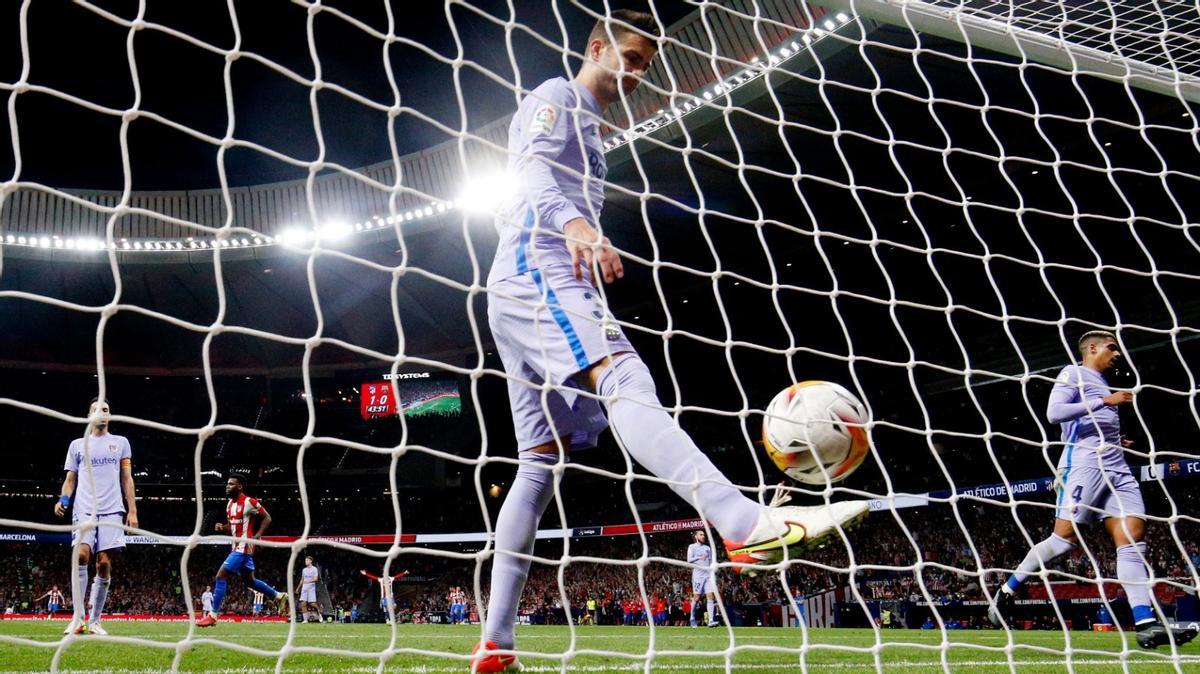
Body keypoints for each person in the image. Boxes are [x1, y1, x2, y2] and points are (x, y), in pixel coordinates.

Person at [472, 9, 869, 672]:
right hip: (534, 271)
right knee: (626, 381)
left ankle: (496, 642)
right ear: (596, 46)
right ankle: (743, 525)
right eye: (628, 57)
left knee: (538, 465)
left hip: (525, 283)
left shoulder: (594, 129)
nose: (635, 73)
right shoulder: (556, 96)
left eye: (644, 65)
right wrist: (578, 229)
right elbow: (531, 172)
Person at [989, 331, 1196, 649]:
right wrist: (1105, 401)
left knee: (1133, 537)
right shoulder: (1073, 373)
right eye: (1112, 347)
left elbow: (1093, 424)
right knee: (1063, 540)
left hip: (1118, 469)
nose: (1117, 353)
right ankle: (1008, 589)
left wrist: (1116, 440)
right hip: (1084, 465)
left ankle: (1145, 623)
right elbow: (1053, 414)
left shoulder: (1104, 383)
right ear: (1093, 348)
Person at [54, 398, 138, 636]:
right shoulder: (77, 445)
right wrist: (63, 499)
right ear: (89, 415)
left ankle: (95, 620)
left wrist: (132, 511)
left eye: (106, 409)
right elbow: (70, 479)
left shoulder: (121, 443)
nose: (101, 412)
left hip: (112, 509)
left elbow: (126, 478)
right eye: (96, 409)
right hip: (83, 509)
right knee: (81, 555)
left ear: (109, 416)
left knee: (103, 563)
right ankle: (78, 618)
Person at [195, 475, 288, 627]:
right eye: (227, 484)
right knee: (249, 581)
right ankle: (278, 596)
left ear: (240, 487)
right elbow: (232, 527)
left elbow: (267, 518)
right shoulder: (229, 505)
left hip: (243, 548)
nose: (227, 486)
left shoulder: (249, 502)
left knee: (221, 575)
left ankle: (213, 615)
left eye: (231, 484)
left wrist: (257, 535)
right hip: (237, 548)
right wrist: (222, 528)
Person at [687, 530, 719, 628]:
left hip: (708, 575)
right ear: (696, 536)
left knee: (710, 596)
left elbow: (709, 561)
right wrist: (699, 557)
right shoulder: (692, 547)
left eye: (704, 535)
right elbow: (689, 560)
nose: (703, 536)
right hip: (698, 575)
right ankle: (692, 618)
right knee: (696, 598)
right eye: (701, 535)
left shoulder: (707, 548)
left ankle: (711, 620)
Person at [297, 556, 320, 623]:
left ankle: (319, 612)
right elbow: (302, 580)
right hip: (304, 588)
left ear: (311, 561)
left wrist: (308, 581)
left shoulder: (314, 569)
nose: (305, 561)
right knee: (303, 604)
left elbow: (316, 579)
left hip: (311, 588)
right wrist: (298, 588)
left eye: (307, 560)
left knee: (312, 603)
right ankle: (305, 619)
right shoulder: (304, 570)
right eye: (305, 560)